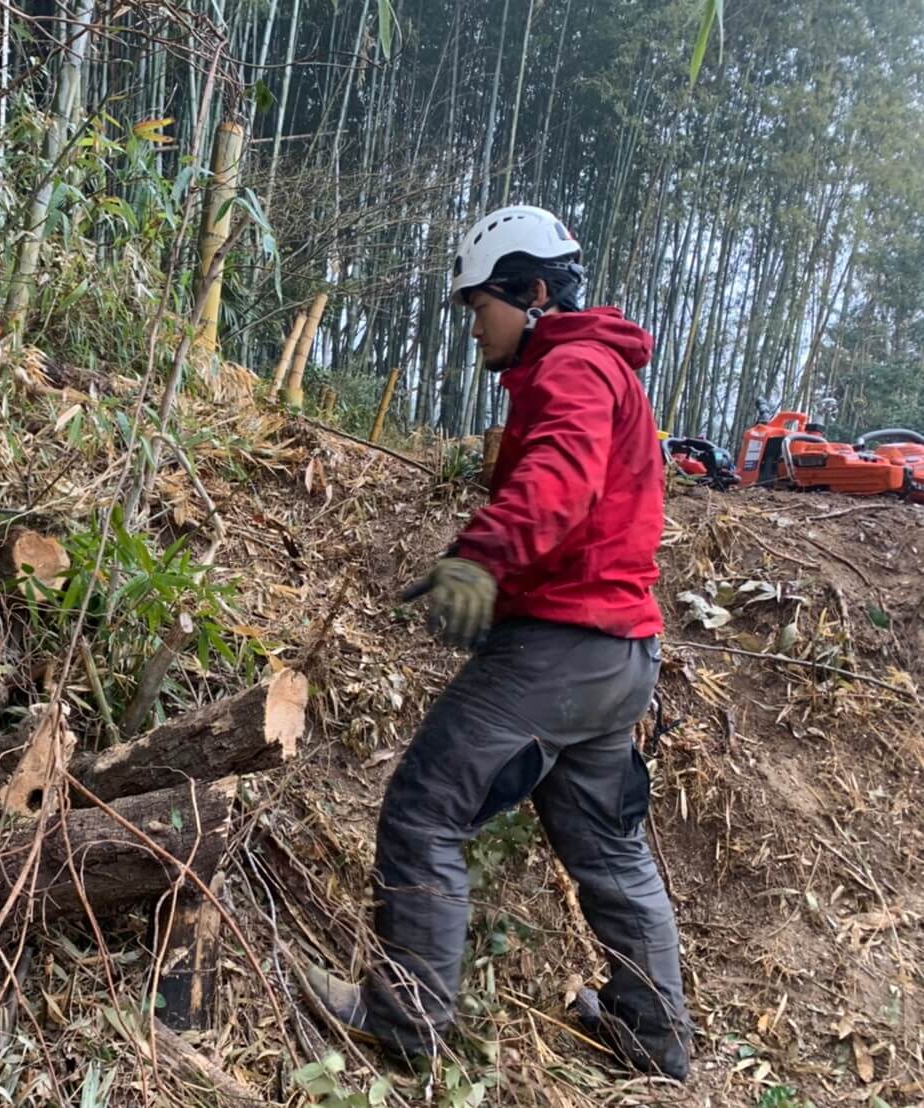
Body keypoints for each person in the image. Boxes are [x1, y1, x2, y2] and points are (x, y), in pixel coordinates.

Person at [300, 204, 693, 1081]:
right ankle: (654, 1041)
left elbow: (561, 477)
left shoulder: (573, 368)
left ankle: (406, 1023)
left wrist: (481, 558)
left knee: (424, 808)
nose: (476, 324)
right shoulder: (600, 368)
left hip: (561, 651)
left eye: (483, 306)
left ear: (534, 293)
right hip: (622, 656)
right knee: (610, 854)